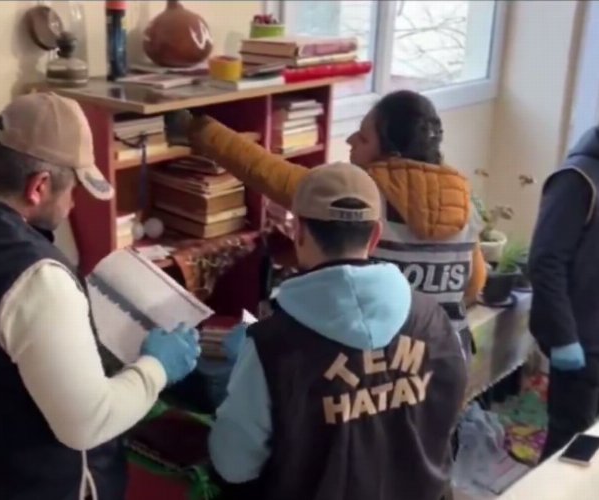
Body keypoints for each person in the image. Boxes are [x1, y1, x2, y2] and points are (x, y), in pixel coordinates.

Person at [0, 93, 201, 500]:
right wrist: (158, 366)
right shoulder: (33, 277)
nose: (73, 203)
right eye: (72, 189)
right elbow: (88, 423)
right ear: (38, 186)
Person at [208, 163, 468, 500]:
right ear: (375, 236)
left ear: (298, 232)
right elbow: (448, 420)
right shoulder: (433, 320)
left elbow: (233, 465)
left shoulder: (272, 346)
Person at [173, 90, 486, 358]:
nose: (350, 140)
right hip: (448, 360)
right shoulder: (463, 205)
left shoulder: (357, 197)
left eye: (363, 137)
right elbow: (473, 285)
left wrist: (195, 127)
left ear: (391, 154)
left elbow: (264, 170)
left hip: (382, 368)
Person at [529, 124, 599, 460]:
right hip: (583, 349)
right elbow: (545, 261)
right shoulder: (578, 178)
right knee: (571, 452)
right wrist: (564, 338)